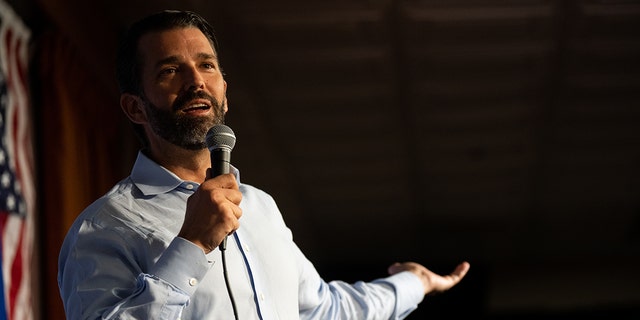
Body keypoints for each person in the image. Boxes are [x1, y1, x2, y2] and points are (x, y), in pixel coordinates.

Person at [57, 10, 470, 320]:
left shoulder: (259, 207)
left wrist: (415, 283)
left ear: (224, 92)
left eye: (206, 65)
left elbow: (325, 309)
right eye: (170, 70)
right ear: (134, 107)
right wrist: (192, 245)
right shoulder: (104, 227)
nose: (196, 81)